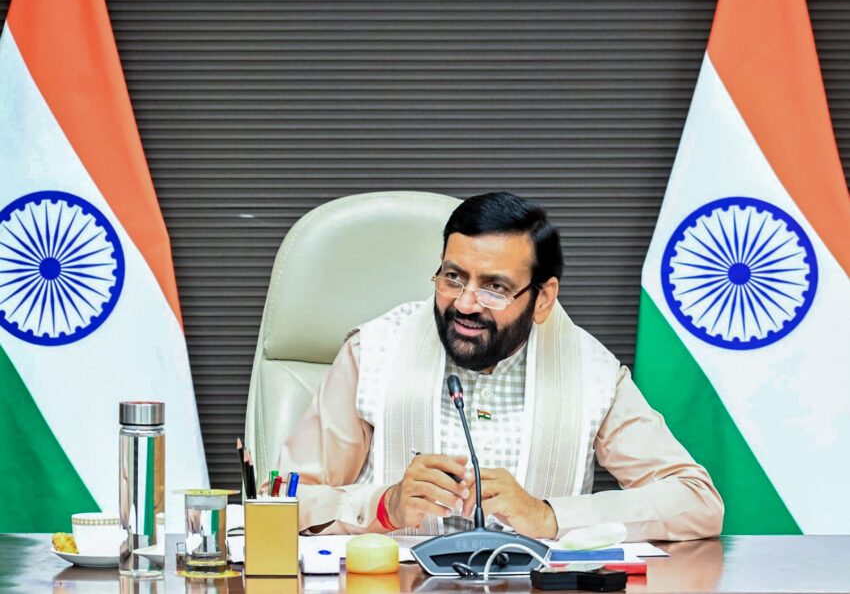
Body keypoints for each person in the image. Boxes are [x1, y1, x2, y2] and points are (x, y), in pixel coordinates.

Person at [273, 192, 724, 541]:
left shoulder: (594, 374)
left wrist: (547, 515)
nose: (466, 304)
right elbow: (280, 502)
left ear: (543, 299)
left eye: (495, 287)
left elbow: (697, 501)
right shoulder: (373, 351)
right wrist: (384, 506)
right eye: (453, 277)